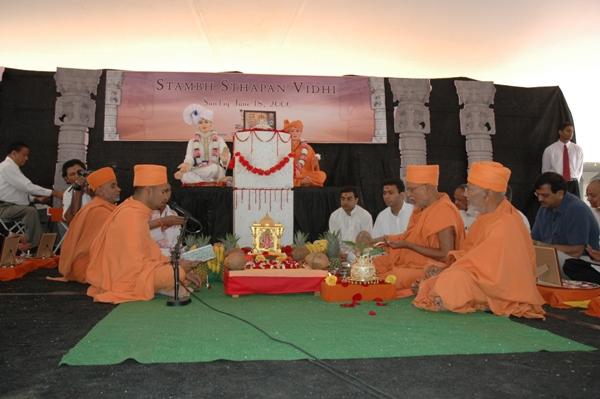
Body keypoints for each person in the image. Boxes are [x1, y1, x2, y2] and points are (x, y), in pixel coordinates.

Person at [413, 161, 545, 318]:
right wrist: (447, 266)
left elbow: (488, 270)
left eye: (471, 189)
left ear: (487, 194)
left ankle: (454, 295)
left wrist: (449, 269)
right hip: (483, 277)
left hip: (502, 287)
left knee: (452, 280)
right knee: (436, 272)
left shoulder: (505, 222)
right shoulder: (487, 217)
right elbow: (472, 255)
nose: (467, 194)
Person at [86, 164, 200, 303]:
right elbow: (133, 271)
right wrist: (178, 269)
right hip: (125, 280)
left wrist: (174, 266)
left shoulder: (136, 211)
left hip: (135, 271)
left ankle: (169, 281)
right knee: (176, 273)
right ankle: (166, 283)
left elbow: (148, 255)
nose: (166, 197)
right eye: (163, 192)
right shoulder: (131, 216)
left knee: (176, 272)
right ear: (148, 191)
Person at [373, 165, 465, 293]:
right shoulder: (421, 209)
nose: (409, 195)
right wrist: (382, 240)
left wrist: (408, 245)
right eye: (408, 190)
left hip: (434, 268)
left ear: (428, 187)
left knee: (391, 278)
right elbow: (410, 236)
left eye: (412, 190)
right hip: (415, 262)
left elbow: (446, 255)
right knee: (375, 264)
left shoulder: (444, 210)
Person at [57, 167, 120, 283]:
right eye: (113, 186)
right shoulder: (99, 211)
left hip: (94, 264)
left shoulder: (103, 207)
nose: (119, 189)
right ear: (99, 190)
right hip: (89, 267)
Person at [0, 141, 63, 247]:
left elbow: (17, 193)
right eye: (24, 155)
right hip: (4, 208)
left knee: (49, 213)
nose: (26, 158)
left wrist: (36, 199)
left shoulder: (12, 168)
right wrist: (54, 193)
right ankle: (32, 245)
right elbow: (27, 186)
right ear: (14, 153)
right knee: (30, 211)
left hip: (16, 206)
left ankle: (52, 246)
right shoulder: (6, 167)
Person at [531, 172, 599, 261]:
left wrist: (545, 246)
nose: (540, 199)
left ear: (560, 194)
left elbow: (577, 251)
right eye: (537, 194)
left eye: (545, 195)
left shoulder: (577, 209)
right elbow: (534, 240)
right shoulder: (544, 208)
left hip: (581, 263)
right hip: (553, 258)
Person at [174, 104, 230, 184]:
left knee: (214, 168)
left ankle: (202, 182)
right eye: (200, 122)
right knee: (185, 176)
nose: (203, 125)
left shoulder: (219, 140)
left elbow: (225, 156)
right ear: (197, 125)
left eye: (206, 122)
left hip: (214, 170)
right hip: (199, 169)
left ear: (211, 124)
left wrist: (224, 159)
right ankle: (211, 183)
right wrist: (186, 165)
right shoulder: (192, 142)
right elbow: (189, 158)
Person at [541, 122, 583, 196]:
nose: (571, 133)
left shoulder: (578, 149)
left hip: (573, 183)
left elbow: (579, 168)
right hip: (557, 184)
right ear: (560, 132)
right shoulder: (550, 150)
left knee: (575, 206)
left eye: (572, 131)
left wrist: (575, 180)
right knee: (558, 206)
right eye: (568, 131)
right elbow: (545, 170)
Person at [283, 119, 327, 187]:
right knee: (282, 178)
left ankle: (300, 181)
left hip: (304, 174)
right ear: (288, 133)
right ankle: (302, 182)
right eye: (292, 131)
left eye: (297, 131)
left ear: (300, 133)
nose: (295, 133)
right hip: (289, 174)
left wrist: (314, 162)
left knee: (322, 175)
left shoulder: (308, 148)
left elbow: (313, 167)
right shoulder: (283, 146)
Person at [61, 159, 92, 224]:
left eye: (80, 172)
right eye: (72, 174)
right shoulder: (68, 193)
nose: (77, 176)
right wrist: (78, 189)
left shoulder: (96, 186)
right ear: (67, 179)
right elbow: (70, 218)